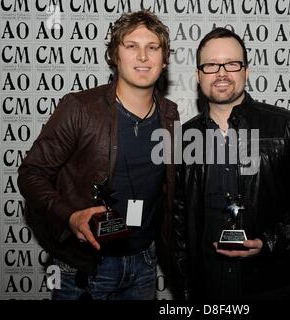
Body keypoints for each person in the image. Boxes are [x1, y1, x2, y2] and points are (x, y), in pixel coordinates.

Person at [18, 11, 179, 300]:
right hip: (86, 266)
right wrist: (70, 216)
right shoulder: (79, 108)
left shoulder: (170, 115)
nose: (143, 56)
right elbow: (31, 173)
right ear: (115, 56)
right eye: (131, 46)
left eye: (152, 47)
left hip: (144, 263)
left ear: (164, 60)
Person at [172, 28, 290, 300]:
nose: (221, 73)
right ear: (198, 75)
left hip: (271, 285)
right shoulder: (182, 139)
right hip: (206, 287)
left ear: (246, 70)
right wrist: (185, 283)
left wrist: (271, 242)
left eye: (231, 64)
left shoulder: (285, 127)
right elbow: (176, 217)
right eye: (211, 65)